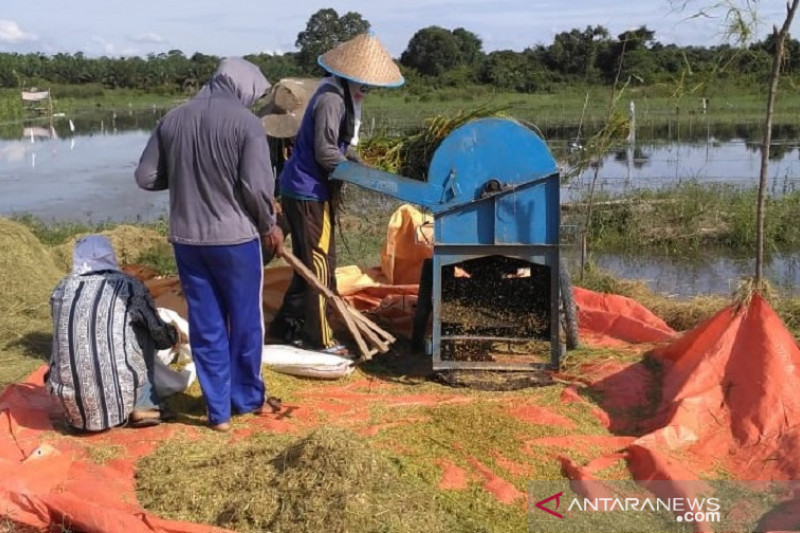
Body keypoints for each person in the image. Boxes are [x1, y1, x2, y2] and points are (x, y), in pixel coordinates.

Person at [135, 57, 282, 432]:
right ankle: (246, 399)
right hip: (235, 241)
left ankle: (217, 412)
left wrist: (184, 177)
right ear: (243, 85)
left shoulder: (173, 119)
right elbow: (255, 188)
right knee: (247, 321)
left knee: (207, 323)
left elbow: (146, 176)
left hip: (188, 241)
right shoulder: (246, 123)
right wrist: (269, 225)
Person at [269, 33, 404, 354]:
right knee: (320, 267)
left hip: (308, 190)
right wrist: (358, 175)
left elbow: (341, 149)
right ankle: (320, 340)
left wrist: (361, 165)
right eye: (366, 84)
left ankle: (287, 328)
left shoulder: (343, 96)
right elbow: (325, 151)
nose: (367, 91)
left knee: (306, 263)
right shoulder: (332, 98)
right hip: (307, 192)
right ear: (351, 76)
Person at [47, 235, 179, 432]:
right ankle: (144, 406)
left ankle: (85, 408)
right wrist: (174, 334)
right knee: (143, 328)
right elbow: (161, 337)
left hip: (69, 406)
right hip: (120, 394)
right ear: (110, 255)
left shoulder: (61, 289)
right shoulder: (128, 285)